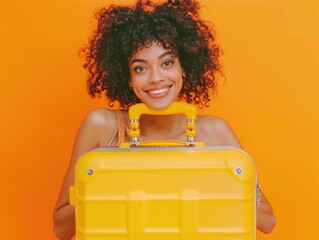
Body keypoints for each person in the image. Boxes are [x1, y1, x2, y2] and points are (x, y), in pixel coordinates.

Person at [52, 0, 276, 239]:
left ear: (184, 68)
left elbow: (267, 221)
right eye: (140, 68)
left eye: (167, 63)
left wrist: (205, 187)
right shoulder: (101, 127)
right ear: (127, 78)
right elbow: (61, 228)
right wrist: (112, 189)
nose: (156, 78)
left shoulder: (215, 132)